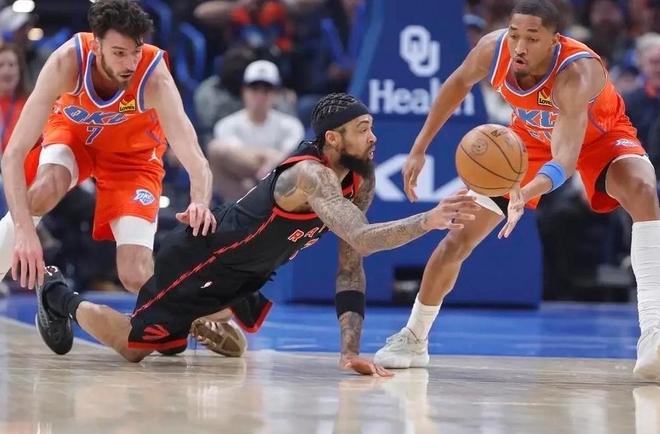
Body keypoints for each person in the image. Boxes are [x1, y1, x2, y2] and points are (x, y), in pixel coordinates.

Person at [35, 93, 480, 376]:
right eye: (363, 130)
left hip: (246, 274)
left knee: (230, 351)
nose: (374, 138)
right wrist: (429, 220)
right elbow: (363, 237)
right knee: (134, 348)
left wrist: (349, 353)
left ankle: (185, 325)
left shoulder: (359, 179)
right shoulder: (310, 176)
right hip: (204, 259)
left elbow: (351, 264)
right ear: (332, 138)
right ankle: (58, 296)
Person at [373, 0, 660, 381]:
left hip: (600, 139)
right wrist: (419, 148)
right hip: (525, 143)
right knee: (458, 237)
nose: (520, 46)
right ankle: (414, 337)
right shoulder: (493, 51)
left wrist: (526, 192)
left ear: (554, 41)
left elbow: (565, 159)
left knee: (642, 189)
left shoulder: (576, 73)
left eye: (532, 38)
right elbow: (457, 83)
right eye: (514, 35)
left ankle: (654, 332)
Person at [207, 59, 304, 201]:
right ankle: (245, 207)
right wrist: (268, 156)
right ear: (243, 91)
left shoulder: (291, 125)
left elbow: (288, 157)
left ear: (275, 93)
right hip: (241, 190)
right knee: (216, 149)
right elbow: (236, 156)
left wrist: (272, 163)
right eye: (254, 88)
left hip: (280, 189)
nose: (260, 96)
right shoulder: (226, 124)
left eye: (266, 90)